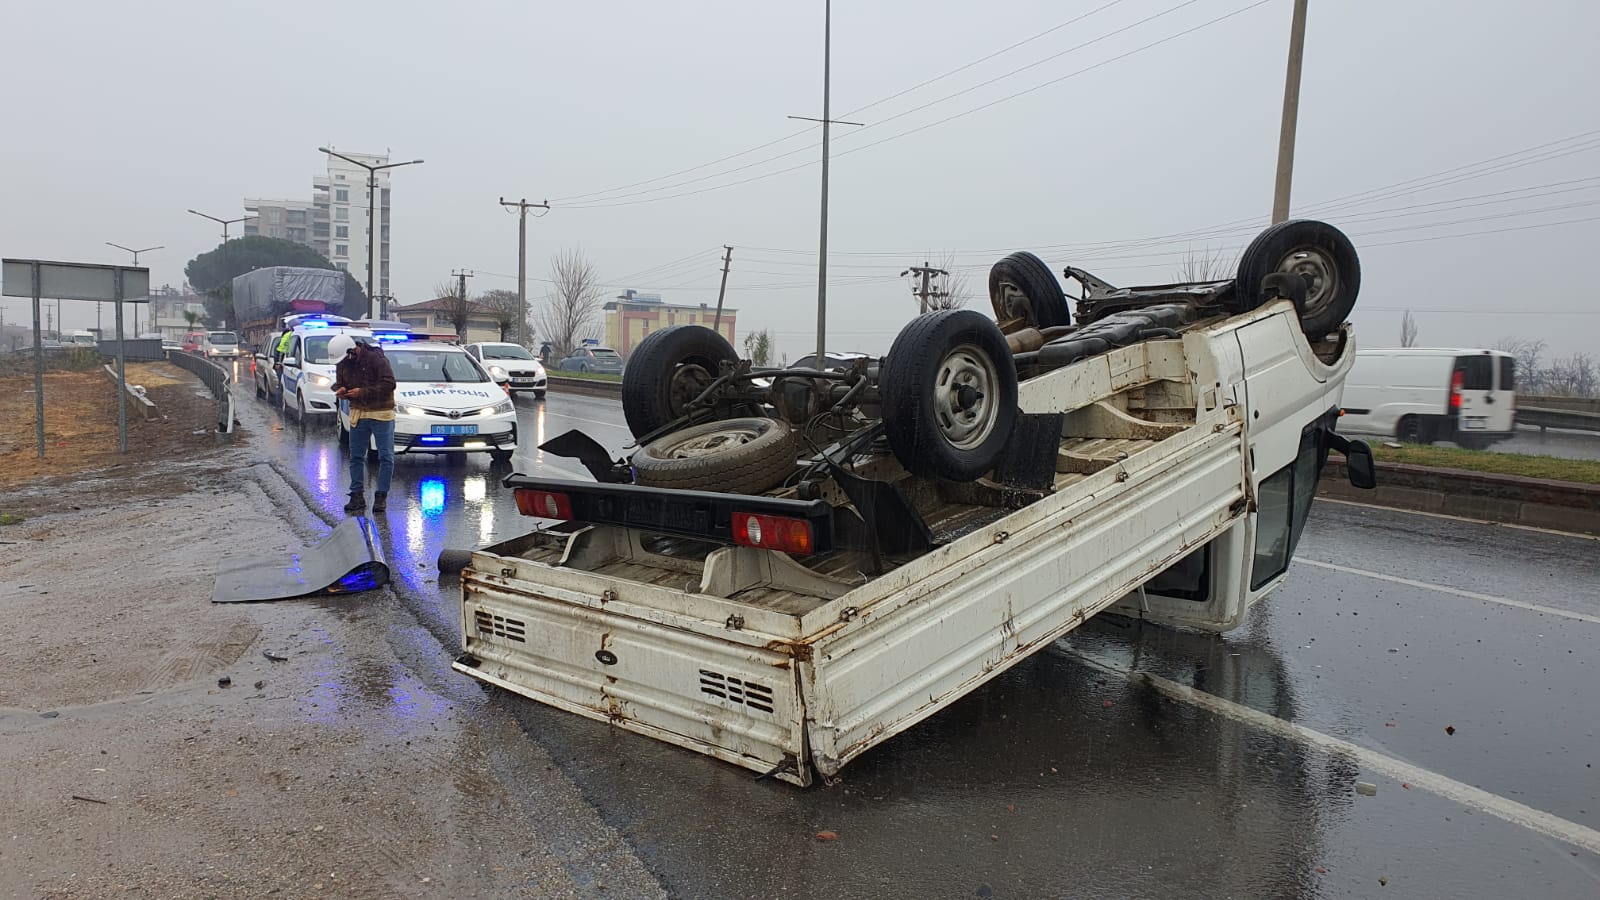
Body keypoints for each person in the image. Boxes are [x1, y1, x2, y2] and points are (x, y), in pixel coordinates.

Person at [329, 334, 397, 514]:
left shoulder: (376, 358)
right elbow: (341, 382)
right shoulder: (343, 361)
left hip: (381, 413)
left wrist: (362, 392)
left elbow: (389, 384)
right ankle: (356, 495)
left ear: (353, 350)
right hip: (358, 412)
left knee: (386, 457)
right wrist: (341, 389)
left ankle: (381, 496)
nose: (343, 363)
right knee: (356, 456)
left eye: (346, 358)